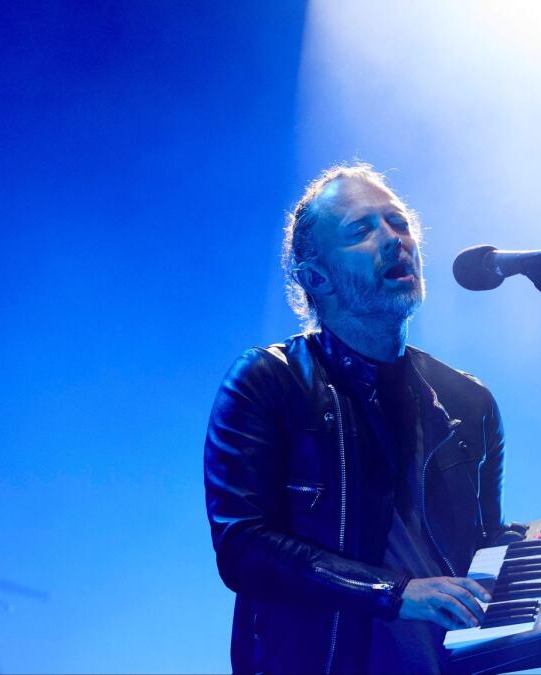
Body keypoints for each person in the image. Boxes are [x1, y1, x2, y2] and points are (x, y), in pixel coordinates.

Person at [204, 163, 516, 674]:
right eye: (362, 230)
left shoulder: (469, 401)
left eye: (399, 223)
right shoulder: (268, 383)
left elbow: (480, 544)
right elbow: (244, 548)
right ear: (315, 277)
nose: (395, 240)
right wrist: (395, 592)